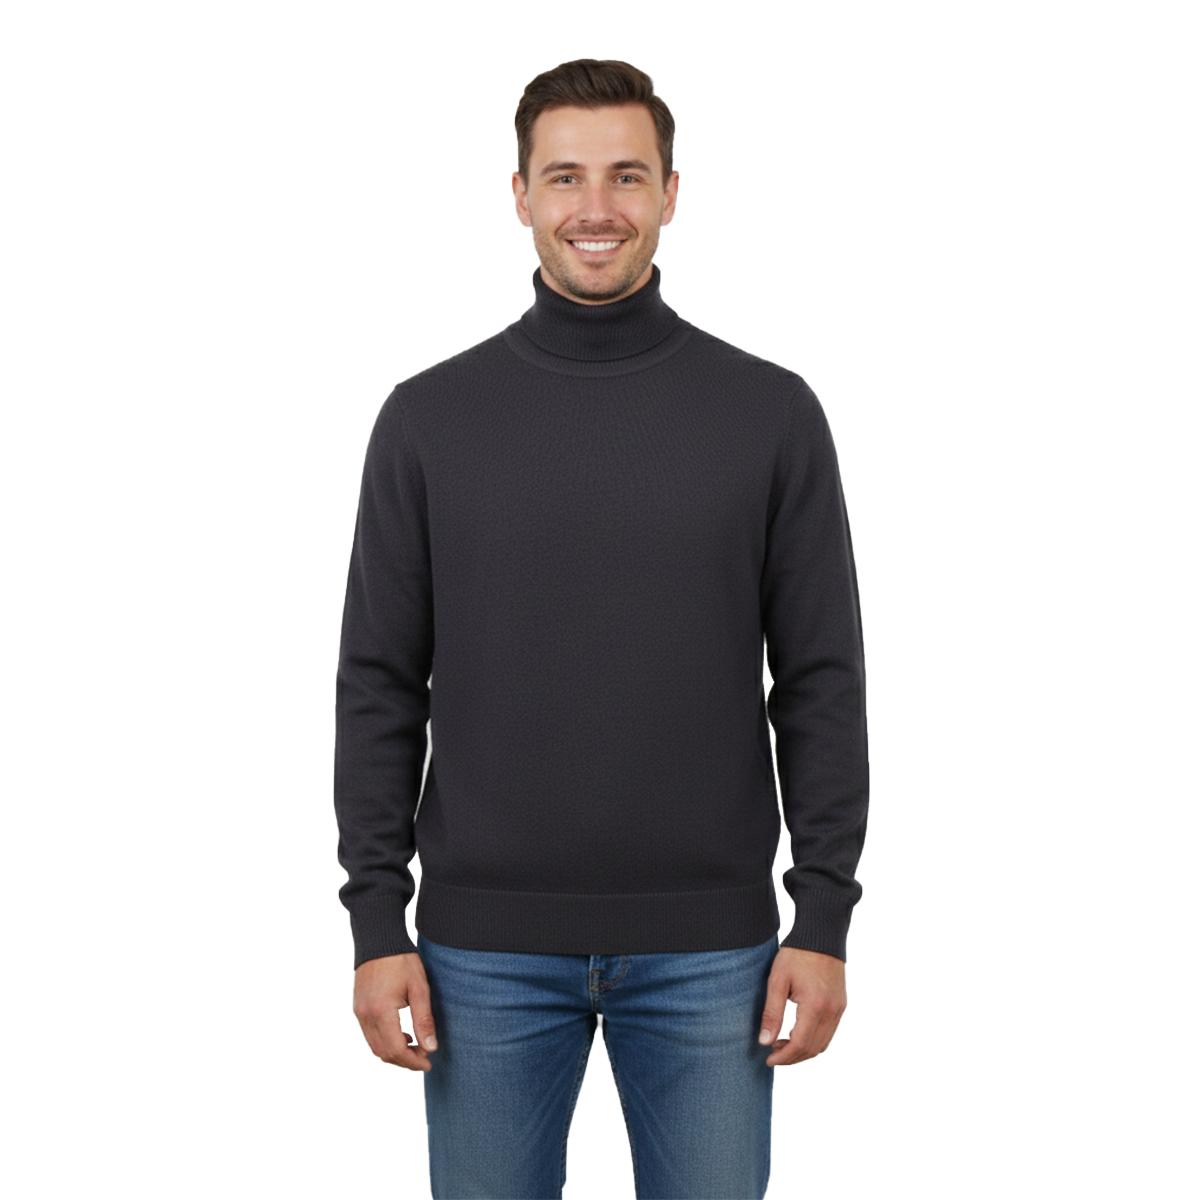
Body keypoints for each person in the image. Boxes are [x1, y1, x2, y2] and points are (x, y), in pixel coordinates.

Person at [333, 58, 870, 1200]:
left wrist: (822, 915)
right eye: (564, 176)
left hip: (713, 953)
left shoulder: (769, 413)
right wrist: (377, 922)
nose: (595, 207)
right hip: (481, 954)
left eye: (627, 176)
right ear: (518, 194)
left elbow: (820, 678)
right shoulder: (428, 419)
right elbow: (379, 681)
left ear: (672, 192)